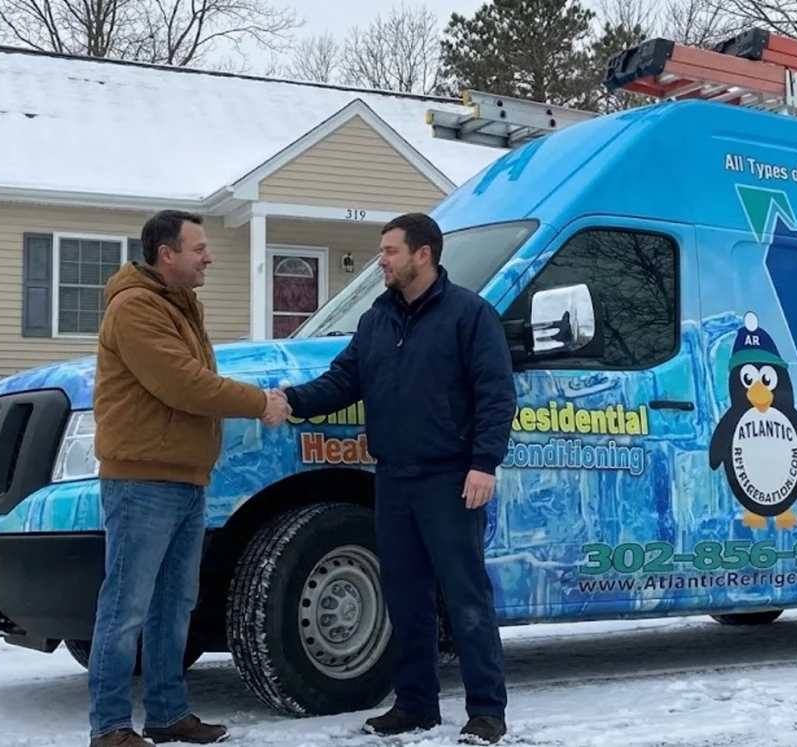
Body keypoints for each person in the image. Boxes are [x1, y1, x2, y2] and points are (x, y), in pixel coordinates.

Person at [273, 213, 515, 745]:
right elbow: (342, 381)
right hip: (394, 479)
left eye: (389, 251)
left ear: (423, 254)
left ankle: (487, 711)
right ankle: (415, 704)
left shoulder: (469, 315)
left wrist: (483, 463)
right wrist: (290, 401)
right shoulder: (377, 319)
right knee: (404, 597)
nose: (380, 260)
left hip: (450, 478)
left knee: (465, 596)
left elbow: (496, 395)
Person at [89, 209, 292, 747]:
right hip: (141, 482)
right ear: (166, 254)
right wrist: (259, 403)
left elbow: (196, 381)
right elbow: (184, 384)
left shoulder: (180, 306)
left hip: (184, 478)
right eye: (199, 248)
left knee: (173, 605)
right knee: (127, 604)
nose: (208, 257)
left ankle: (166, 714)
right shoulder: (135, 309)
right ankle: (109, 727)